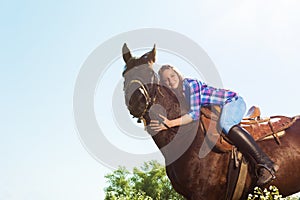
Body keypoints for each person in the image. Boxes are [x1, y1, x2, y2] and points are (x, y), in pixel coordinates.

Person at [149, 64, 279, 186]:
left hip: (232, 101)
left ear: (178, 75)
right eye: (166, 80)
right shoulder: (179, 95)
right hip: (220, 108)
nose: (171, 81)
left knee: (225, 124)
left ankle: (266, 163)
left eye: (172, 76)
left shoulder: (190, 85)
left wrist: (170, 123)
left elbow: (194, 114)